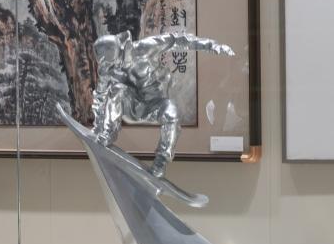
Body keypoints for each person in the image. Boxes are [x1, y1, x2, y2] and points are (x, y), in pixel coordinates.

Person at [91, 31, 234, 177]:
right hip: (133, 106)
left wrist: (211, 45)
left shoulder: (144, 48)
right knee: (117, 89)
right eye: (106, 64)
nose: (110, 67)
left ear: (117, 52)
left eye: (111, 63)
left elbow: (177, 39)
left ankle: (161, 160)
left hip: (157, 104)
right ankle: (109, 133)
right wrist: (98, 127)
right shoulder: (106, 69)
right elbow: (100, 96)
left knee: (171, 113)